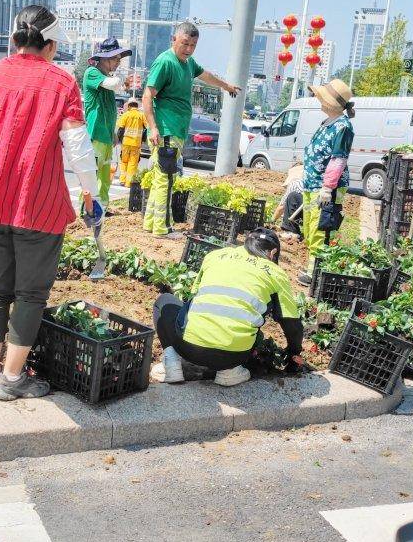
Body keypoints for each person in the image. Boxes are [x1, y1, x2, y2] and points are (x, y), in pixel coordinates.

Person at [0, 5, 102, 402]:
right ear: (50, 45)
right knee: (31, 294)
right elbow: (78, 149)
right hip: (38, 203)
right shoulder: (60, 82)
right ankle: (12, 380)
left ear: (15, 40)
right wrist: (92, 194)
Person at [152, 228, 304, 387]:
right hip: (235, 356)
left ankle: (172, 365)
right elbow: (291, 323)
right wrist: (294, 353)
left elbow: (192, 298)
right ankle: (229, 372)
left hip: (188, 349)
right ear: (273, 253)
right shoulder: (275, 272)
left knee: (164, 301)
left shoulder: (215, 256)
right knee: (253, 325)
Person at [142, 22, 241, 238]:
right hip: (166, 130)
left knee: (162, 177)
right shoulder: (165, 62)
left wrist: (226, 86)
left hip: (175, 130)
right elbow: (148, 95)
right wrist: (153, 128)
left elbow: (205, 75)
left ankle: (151, 223)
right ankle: (162, 228)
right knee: (166, 179)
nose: (188, 49)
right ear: (174, 40)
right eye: (185, 43)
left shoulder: (188, 63)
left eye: (193, 45)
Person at [298, 79, 356, 286]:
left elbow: (338, 159)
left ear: (333, 103)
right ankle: (312, 267)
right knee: (310, 226)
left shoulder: (343, 127)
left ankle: (317, 272)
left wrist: (327, 187)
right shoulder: (327, 123)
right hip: (312, 184)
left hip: (325, 188)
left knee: (321, 227)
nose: (318, 99)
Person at [83, 37, 132, 204]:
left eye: (119, 59)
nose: (118, 62)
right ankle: (88, 211)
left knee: (104, 177)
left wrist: (113, 133)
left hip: (105, 136)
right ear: (104, 58)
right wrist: (124, 80)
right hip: (95, 134)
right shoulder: (92, 73)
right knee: (92, 176)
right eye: (116, 58)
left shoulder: (106, 78)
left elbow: (109, 111)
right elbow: (114, 83)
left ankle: (101, 208)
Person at [116, 98, 147, 186]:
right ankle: (129, 183)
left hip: (126, 142)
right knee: (133, 163)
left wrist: (118, 140)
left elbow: (120, 129)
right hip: (136, 144)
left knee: (124, 161)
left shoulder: (126, 115)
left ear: (129, 106)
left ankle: (122, 180)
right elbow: (146, 127)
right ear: (137, 106)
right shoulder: (141, 116)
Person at [273, 159, 305, 241]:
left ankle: (290, 231)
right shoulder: (308, 181)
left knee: (291, 197)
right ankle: (296, 231)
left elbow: (281, 208)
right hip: (314, 213)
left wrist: (272, 220)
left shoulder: (295, 183)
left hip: (305, 211)